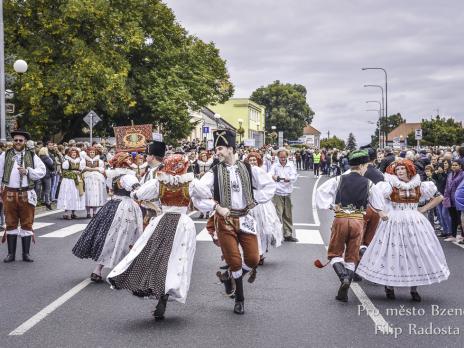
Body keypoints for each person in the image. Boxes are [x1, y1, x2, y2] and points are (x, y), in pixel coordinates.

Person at [190, 130, 275, 315]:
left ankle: (228, 277)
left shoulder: (248, 168)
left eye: (219, 148)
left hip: (245, 218)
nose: (216, 152)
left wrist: (254, 199)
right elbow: (197, 191)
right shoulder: (215, 171)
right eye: (216, 149)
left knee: (252, 259)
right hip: (225, 221)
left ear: (230, 148)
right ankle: (240, 299)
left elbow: (269, 186)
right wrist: (216, 207)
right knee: (235, 261)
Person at [108, 154, 196, 320]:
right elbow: (205, 196)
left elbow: (139, 194)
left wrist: (135, 191)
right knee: (177, 259)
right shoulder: (190, 182)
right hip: (183, 224)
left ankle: (150, 285)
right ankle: (167, 292)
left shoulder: (159, 182)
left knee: (154, 255)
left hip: (163, 221)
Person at [356, 159, 449, 302]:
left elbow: (439, 197)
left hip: (415, 222)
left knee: (416, 252)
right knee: (392, 252)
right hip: (394, 220)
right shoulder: (389, 185)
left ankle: (414, 288)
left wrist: (423, 209)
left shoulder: (421, 185)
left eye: (402, 169)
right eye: (397, 169)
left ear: (409, 170)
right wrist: (382, 211)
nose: (399, 171)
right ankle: (389, 286)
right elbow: (374, 198)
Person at [315, 150, 373, 302]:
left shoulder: (339, 179)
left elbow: (321, 192)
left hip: (341, 219)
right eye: (366, 166)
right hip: (357, 221)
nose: (366, 168)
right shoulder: (368, 183)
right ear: (360, 166)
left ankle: (344, 279)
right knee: (352, 255)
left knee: (335, 253)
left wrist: (331, 206)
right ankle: (347, 279)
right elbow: (377, 203)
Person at [73, 174, 142, 282]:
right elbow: (138, 192)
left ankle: (98, 269)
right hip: (126, 208)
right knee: (124, 238)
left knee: (108, 237)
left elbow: (111, 191)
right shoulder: (129, 177)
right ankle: (119, 271)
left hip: (112, 205)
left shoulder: (113, 176)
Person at [1, 130, 46, 262]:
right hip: (9, 193)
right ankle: (11, 254)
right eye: (16, 140)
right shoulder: (5, 155)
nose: (18, 142)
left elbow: (42, 171)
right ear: (12, 142)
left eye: (21, 140)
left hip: (26, 193)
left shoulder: (32, 156)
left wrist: (28, 171)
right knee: (10, 223)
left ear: (25, 142)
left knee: (27, 223)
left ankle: (26, 254)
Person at [245, 152, 281, 264]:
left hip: (261, 203)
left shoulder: (262, 171)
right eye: (250, 160)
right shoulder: (246, 172)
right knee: (251, 229)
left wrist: (261, 197)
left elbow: (268, 185)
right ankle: (255, 253)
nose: (252, 162)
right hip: (250, 201)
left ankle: (260, 254)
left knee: (262, 229)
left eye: (254, 160)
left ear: (258, 161)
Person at [270, 148, 298, 242]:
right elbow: (269, 174)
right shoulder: (275, 166)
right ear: (278, 157)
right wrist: (273, 177)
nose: (282, 159)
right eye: (281, 157)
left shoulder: (291, 165)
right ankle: (276, 235)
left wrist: (289, 178)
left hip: (287, 192)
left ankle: (288, 234)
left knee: (288, 215)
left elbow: (294, 176)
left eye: (284, 157)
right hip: (277, 193)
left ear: (287, 156)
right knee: (277, 215)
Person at [139, 141, 166, 227]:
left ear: (152, 157)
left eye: (147, 155)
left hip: (158, 211)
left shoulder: (162, 170)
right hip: (149, 210)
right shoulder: (150, 170)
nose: (145, 157)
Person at [57, 147, 86, 219]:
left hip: (77, 180)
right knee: (68, 195)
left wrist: (79, 173)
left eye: (75, 153)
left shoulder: (79, 161)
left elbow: (81, 170)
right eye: (72, 153)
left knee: (75, 195)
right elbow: (64, 172)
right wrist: (73, 172)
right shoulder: (67, 161)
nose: (74, 154)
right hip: (68, 181)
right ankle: (66, 213)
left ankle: (73, 212)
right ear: (70, 154)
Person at [81, 147, 107, 218]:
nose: (92, 153)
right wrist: (88, 169)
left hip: (96, 180)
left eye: (93, 152)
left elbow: (102, 169)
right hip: (87, 179)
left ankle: (95, 212)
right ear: (88, 153)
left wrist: (95, 169)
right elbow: (81, 168)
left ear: (95, 153)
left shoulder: (99, 160)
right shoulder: (84, 160)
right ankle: (88, 212)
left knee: (95, 195)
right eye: (91, 152)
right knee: (88, 195)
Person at [443, 160, 464, 242]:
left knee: (460, 219)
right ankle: (453, 235)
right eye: (453, 165)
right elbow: (447, 187)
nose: (454, 166)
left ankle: (462, 235)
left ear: (460, 166)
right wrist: (445, 197)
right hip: (449, 199)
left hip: (458, 199)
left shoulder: (462, 175)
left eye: (456, 165)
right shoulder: (450, 174)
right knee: (453, 218)